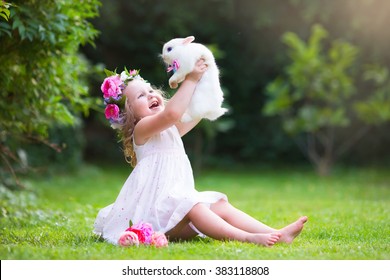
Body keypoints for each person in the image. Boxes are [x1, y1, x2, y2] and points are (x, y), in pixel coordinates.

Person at [94, 60, 308, 247]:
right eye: (141, 95)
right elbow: (172, 113)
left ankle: (275, 234)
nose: (150, 95)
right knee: (193, 205)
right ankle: (247, 238)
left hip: (175, 216)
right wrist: (192, 80)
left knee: (219, 205)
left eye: (150, 90)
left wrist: (202, 80)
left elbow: (194, 113)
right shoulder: (142, 130)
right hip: (156, 218)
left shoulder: (170, 129)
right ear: (129, 113)